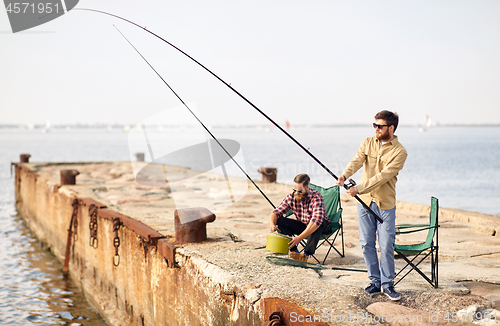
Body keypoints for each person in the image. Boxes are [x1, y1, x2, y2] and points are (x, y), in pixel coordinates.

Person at [336, 110, 407, 301]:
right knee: (366, 243)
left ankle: (388, 284)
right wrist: (344, 174)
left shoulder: (399, 152)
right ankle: (375, 282)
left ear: (391, 128)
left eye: (380, 126)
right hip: (365, 202)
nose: (376, 129)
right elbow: (357, 161)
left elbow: (383, 177)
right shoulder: (367, 142)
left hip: (385, 204)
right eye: (374, 125)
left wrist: (359, 188)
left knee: (386, 245)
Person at [269, 173, 331, 262]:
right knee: (279, 220)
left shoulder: (316, 197)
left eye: (299, 191)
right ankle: (295, 253)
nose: (296, 193)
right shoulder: (291, 196)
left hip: (322, 227)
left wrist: (299, 238)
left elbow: (316, 221)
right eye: (294, 190)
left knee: (318, 224)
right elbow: (275, 212)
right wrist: (272, 224)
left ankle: (306, 255)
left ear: (307, 188)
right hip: (304, 225)